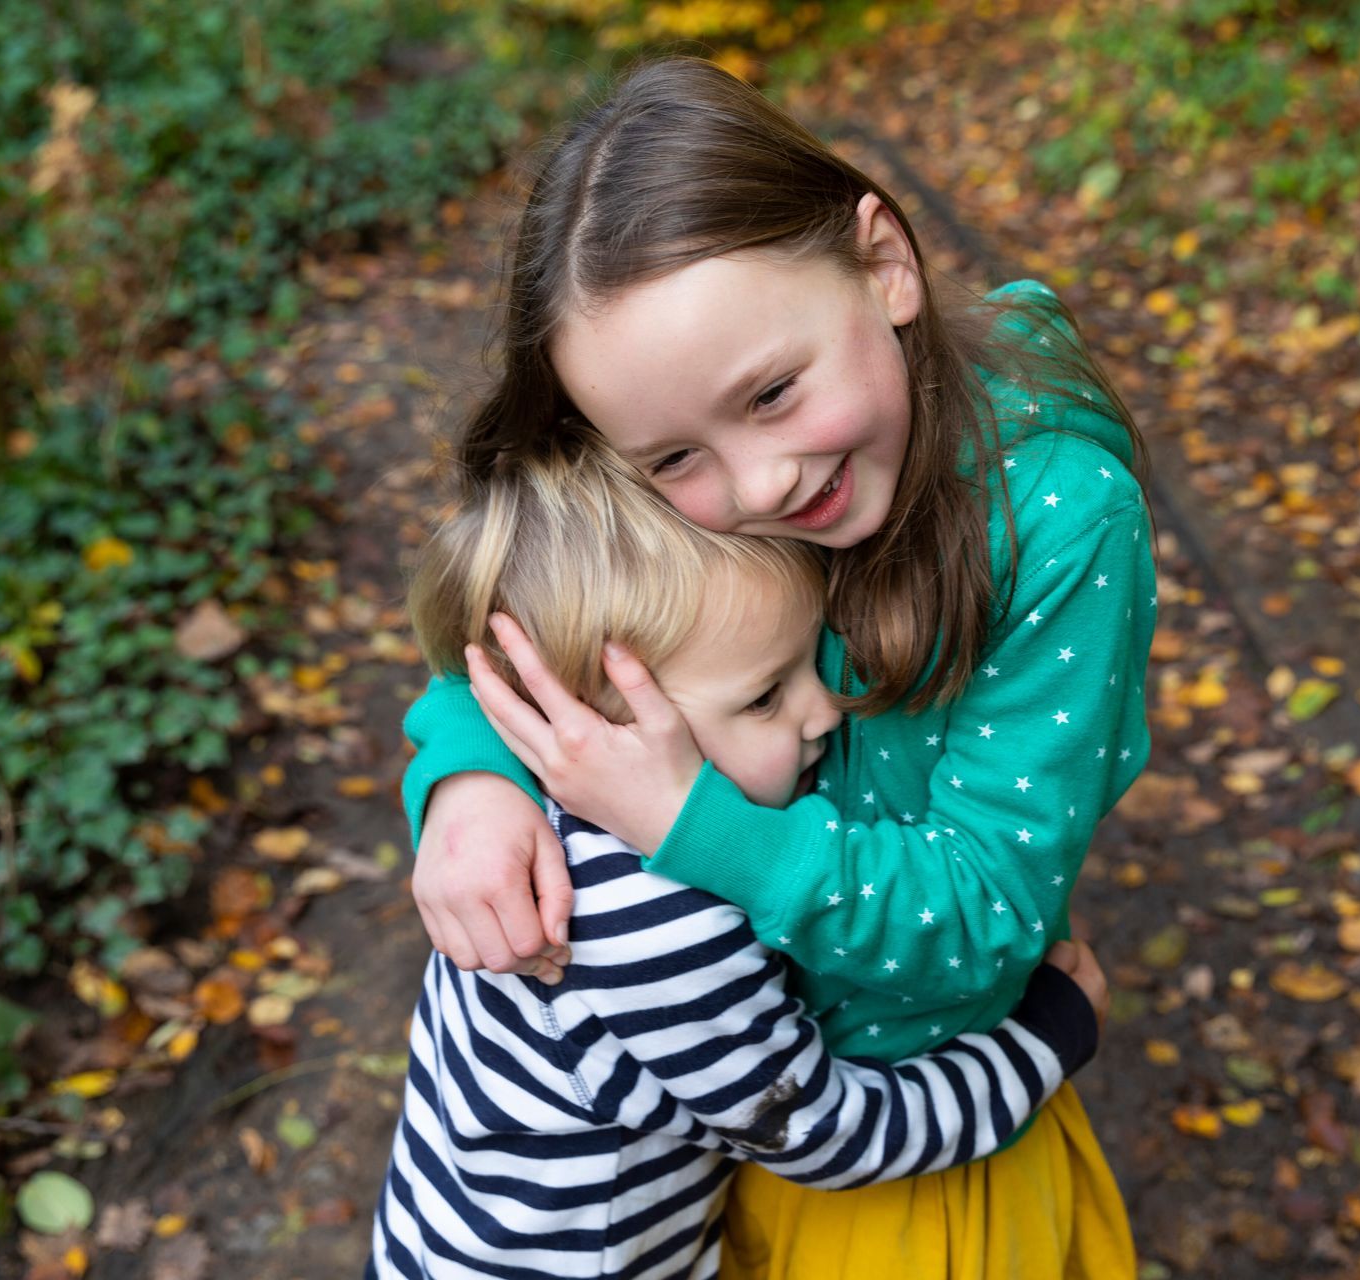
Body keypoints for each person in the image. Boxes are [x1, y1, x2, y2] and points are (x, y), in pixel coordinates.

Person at [404, 56, 1154, 1275]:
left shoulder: (1061, 521)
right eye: (674, 461)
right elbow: (555, 614)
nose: (755, 488)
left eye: (773, 392)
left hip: (901, 1133)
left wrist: (692, 822)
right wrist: (471, 773)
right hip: (707, 1141)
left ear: (885, 264)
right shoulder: (687, 442)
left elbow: (979, 905)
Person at [371, 437, 1110, 1279]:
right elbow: (818, 1131)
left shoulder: (546, 783)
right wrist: (1042, 1041)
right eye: (766, 695)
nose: (827, 709)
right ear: (598, 719)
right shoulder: (656, 922)